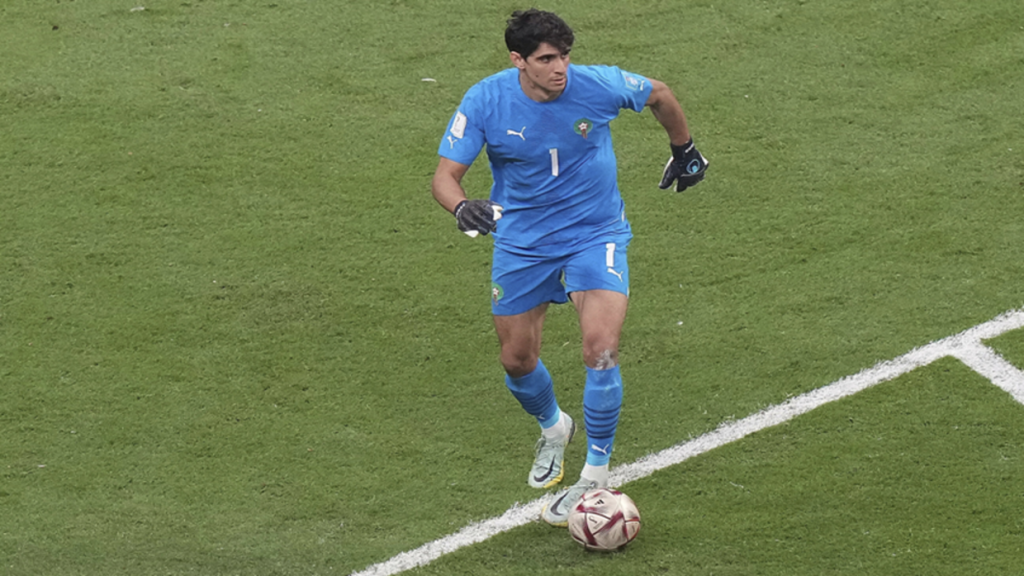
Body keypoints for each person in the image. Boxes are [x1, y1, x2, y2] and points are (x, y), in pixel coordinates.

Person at [430, 8, 708, 527]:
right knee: (516, 359)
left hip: (594, 233)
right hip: (523, 241)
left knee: (601, 348)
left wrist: (684, 149)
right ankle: (554, 427)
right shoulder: (485, 100)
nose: (560, 68)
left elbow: (659, 93)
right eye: (546, 59)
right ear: (518, 60)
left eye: (564, 56)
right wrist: (461, 207)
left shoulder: (596, 84)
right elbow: (445, 177)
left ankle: (595, 475)